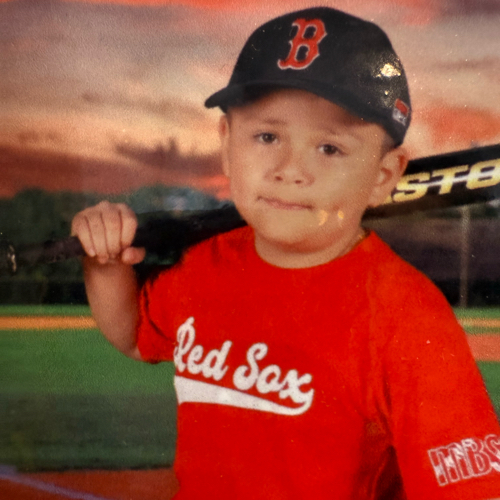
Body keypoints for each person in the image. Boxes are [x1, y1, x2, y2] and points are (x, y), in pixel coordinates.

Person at [71, 7, 500, 499]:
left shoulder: (405, 317)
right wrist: (103, 264)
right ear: (227, 144)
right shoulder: (204, 266)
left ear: (383, 176)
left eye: (329, 148)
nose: (290, 169)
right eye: (267, 136)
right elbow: (133, 336)